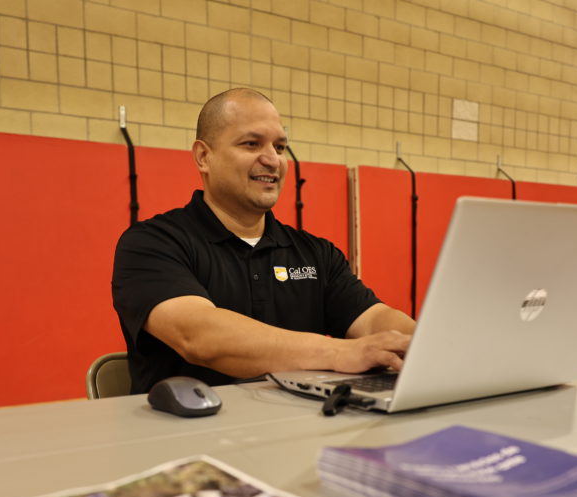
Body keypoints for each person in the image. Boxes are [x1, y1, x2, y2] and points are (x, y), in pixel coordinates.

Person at [112, 88, 415, 393]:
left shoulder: (316, 254)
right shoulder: (152, 244)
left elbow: (374, 318)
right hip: (188, 434)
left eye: (280, 147)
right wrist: (341, 352)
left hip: (297, 430)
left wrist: (424, 343)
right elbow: (200, 337)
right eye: (251, 144)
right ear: (204, 157)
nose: (272, 160)